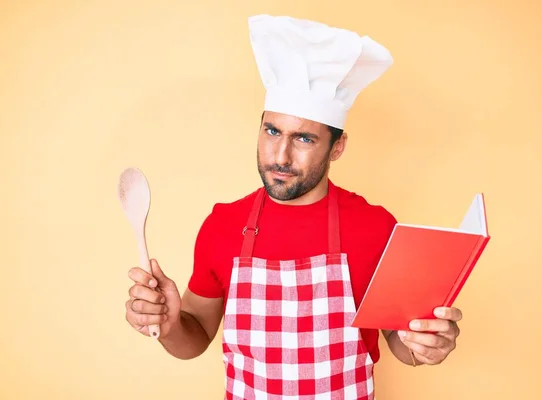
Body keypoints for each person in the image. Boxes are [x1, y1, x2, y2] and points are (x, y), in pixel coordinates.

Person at [125, 14, 462, 399]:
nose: (280, 156)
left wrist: (425, 345)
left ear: (337, 147)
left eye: (303, 139)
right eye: (272, 132)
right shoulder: (222, 225)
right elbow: (195, 337)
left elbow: (401, 341)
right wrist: (170, 325)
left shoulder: (376, 226)